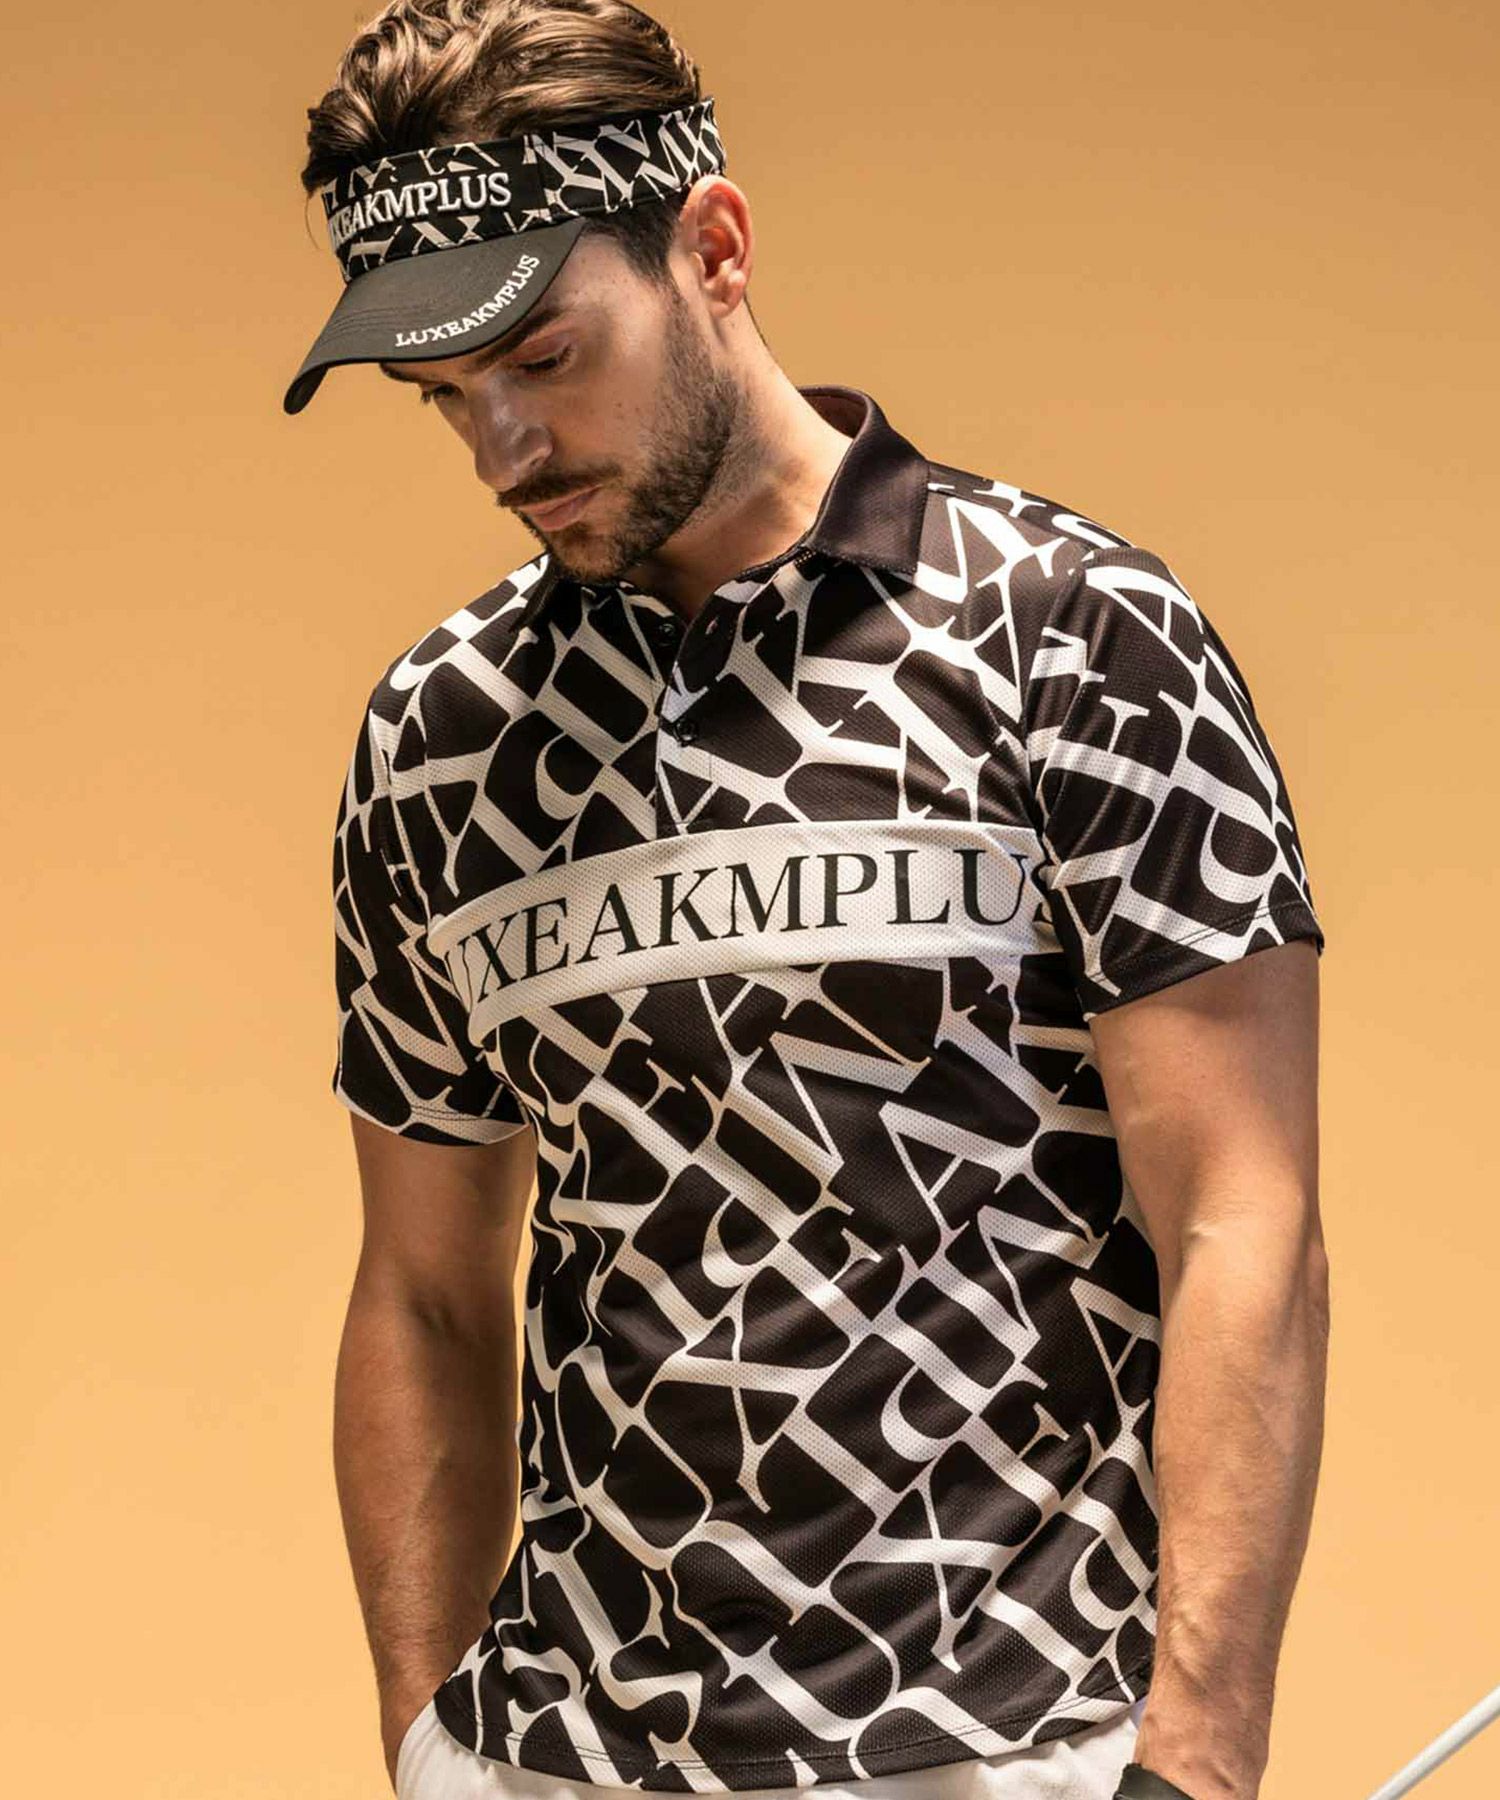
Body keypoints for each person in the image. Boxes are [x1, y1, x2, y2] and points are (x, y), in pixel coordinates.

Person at [292, 5, 1330, 1798]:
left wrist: (1201, 1758)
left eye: (544, 355)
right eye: (446, 397)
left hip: (1012, 1739)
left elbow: (1244, 1217)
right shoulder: (443, 738)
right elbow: (425, 1295)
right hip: (562, 1754)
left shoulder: (1069, 636)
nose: (504, 449)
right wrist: (428, 1745)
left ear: (714, 249)